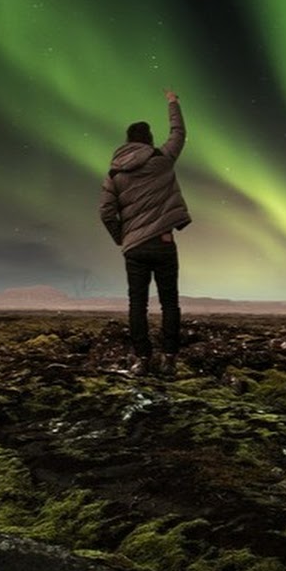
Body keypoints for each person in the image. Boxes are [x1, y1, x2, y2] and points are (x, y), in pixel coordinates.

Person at [99, 89, 191, 376]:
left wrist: (122, 237)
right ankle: (169, 359)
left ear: (127, 142)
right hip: (163, 243)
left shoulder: (114, 174)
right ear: (149, 140)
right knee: (169, 302)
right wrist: (173, 102)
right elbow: (179, 133)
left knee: (137, 304)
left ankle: (141, 359)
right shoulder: (162, 159)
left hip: (134, 249)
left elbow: (105, 212)